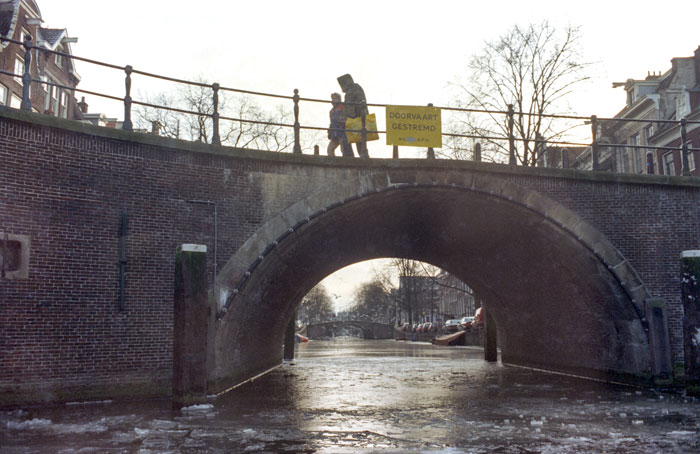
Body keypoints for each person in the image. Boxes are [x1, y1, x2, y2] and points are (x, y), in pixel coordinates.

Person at [337, 74, 369, 158]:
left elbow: (349, 107)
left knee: (345, 139)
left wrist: (344, 118)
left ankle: (349, 158)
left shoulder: (351, 91)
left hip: (355, 119)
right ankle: (364, 158)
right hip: (361, 118)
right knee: (360, 142)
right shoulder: (357, 88)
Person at [327, 93, 352, 157]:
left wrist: (342, 121)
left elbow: (347, 117)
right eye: (332, 98)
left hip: (342, 131)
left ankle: (345, 162)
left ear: (339, 99)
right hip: (334, 133)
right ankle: (333, 163)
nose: (333, 100)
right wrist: (330, 129)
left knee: (344, 149)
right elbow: (332, 122)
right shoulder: (331, 111)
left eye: (335, 98)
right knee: (330, 149)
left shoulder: (343, 107)